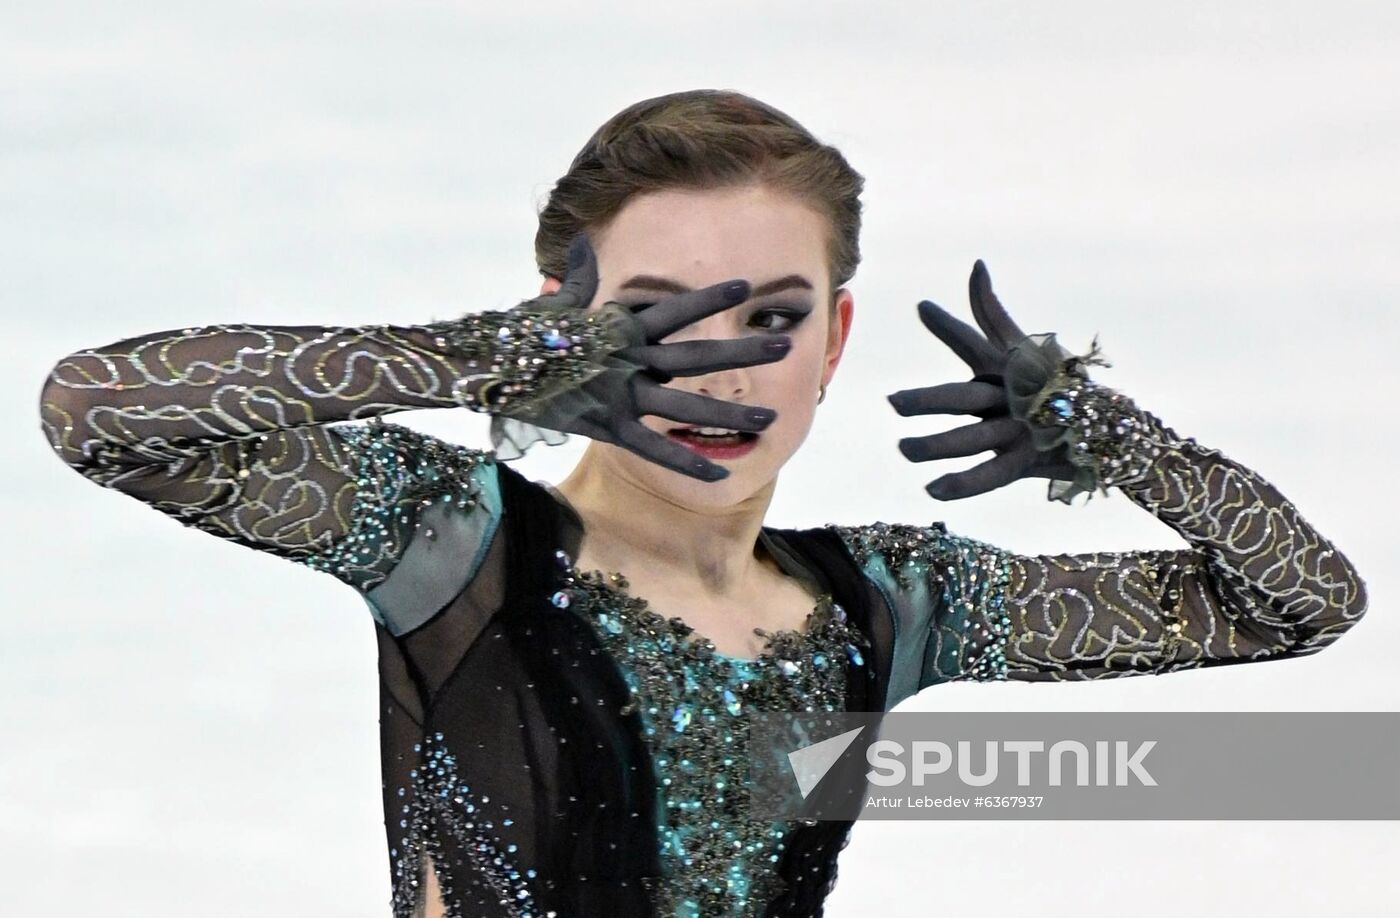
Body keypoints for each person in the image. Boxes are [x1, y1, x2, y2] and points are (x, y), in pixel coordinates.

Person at [38, 89, 1369, 918]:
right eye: (654, 322)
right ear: (566, 322)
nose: (716, 369)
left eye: (772, 319)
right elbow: (98, 413)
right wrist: (469, 356)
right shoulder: (451, 541)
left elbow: (1297, 604)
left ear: (836, 339)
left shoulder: (889, 602)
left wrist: (1114, 436)